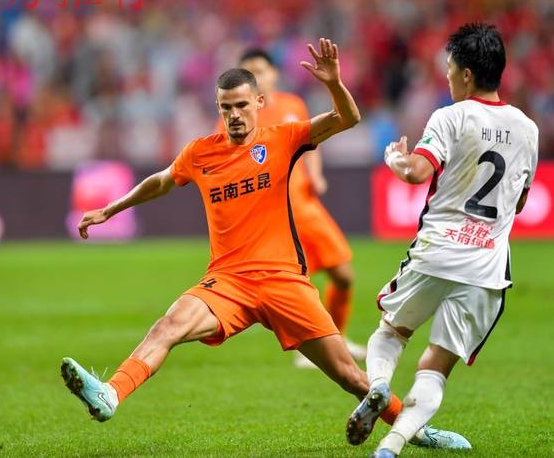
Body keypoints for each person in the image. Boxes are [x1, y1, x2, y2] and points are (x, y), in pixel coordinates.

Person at [65, 39, 468, 450]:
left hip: (283, 281)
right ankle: (111, 393)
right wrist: (110, 209)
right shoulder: (200, 153)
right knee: (168, 325)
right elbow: (161, 181)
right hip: (227, 282)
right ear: (218, 108)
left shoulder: (283, 138)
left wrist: (333, 83)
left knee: (352, 378)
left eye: (242, 105)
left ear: (259, 102)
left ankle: (417, 431)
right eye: (226, 107)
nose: (234, 115)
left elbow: (348, 118)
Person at [347, 23, 538, 457]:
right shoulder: (528, 128)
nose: (448, 77)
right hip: (486, 267)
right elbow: (521, 201)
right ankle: (391, 447)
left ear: (467, 74)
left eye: (450, 69)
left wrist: (394, 158)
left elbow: (417, 172)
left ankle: (379, 386)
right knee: (436, 365)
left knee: (391, 333)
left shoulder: (451, 116)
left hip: (437, 251)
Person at [214, 48, 366, 367]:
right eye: (249, 72)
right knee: (295, 287)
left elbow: (312, 141)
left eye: (260, 70)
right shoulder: (236, 117)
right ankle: (314, 350)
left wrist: (316, 174)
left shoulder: (292, 105)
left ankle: (338, 337)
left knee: (343, 275)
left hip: (305, 205)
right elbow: (224, 162)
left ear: (274, 74)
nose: (256, 77)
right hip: (273, 217)